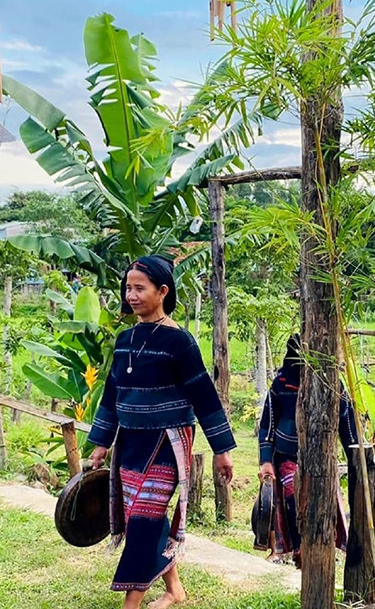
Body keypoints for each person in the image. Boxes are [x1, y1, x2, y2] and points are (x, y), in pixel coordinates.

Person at [87, 255, 235, 609]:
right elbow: (112, 393)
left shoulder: (179, 342)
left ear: (162, 291)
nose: (131, 295)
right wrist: (100, 444)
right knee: (146, 514)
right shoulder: (124, 340)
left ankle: (131, 603)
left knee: (143, 519)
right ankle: (175, 588)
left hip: (168, 443)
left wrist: (222, 450)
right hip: (131, 442)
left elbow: (204, 395)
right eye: (128, 288)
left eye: (140, 288)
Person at [257, 334, 358, 565]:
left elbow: (347, 425)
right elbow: (267, 425)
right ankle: (300, 546)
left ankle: (321, 547)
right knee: (294, 494)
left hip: (323, 460)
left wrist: (357, 460)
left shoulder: (333, 385)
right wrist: (265, 460)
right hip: (287, 456)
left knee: (322, 502)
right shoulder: (280, 384)